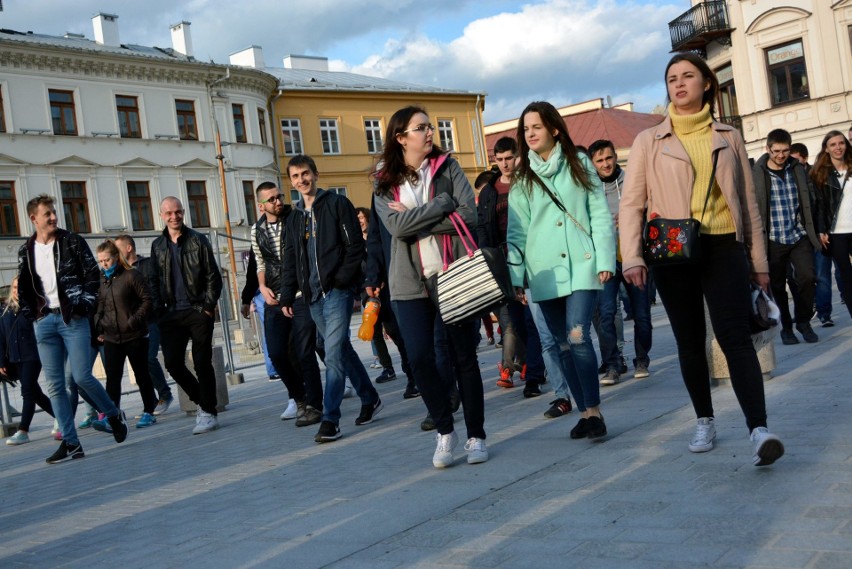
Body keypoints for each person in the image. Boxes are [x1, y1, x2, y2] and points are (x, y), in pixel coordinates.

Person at [619, 53, 785, 467]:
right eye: (672, 78)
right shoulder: (648, 141)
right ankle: (705, 419)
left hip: (724, 244)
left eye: (688, 76)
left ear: (707, 83)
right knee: (689, 339)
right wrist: (631, 257)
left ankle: (758, 429)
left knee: (734, 336)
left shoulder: (728, 135)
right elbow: (631, 204)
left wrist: (759, 262)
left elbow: (748, 203)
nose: (679, 84)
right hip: (672, 249)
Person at [373, 105, 488, 467]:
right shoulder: (383, 182)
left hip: (452, 272)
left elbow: (469, 215)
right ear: (400, 136)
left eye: (431, 127)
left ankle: (476, 435)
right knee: (420, 359)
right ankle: (445, 429)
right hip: (408, 283)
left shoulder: (448, 167)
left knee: (463, 357)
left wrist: (417, 220)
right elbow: (396, 228)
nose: (429, 133)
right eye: (420, 127)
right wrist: (442, 204)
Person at [507, 101, 615, 441]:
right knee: (561, 344)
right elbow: (516, 232)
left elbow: (598, 212)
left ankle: (595, 411)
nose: (531, 134)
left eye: (536, 127)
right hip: (543, 272)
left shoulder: (579, 162)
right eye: (526, 129)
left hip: (582, 264)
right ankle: (583, 413)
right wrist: (516, 278)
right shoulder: (523, 178)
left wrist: (605, 259)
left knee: (578, 335)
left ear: (554, 128)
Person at [18, 194, 128, 463]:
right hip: (44, 322)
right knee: (55, 387)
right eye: (48, 214)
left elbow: (93, 275)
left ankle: (112, 414)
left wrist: (84, 305)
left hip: (72, 319)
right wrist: (32, 315)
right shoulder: (26, 250)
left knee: (80, 377)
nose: (54, 217)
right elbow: (23, 287)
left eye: (54, 212)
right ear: (34, 219)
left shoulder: (72, 241)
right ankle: (71, 443)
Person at [281, 154, 382, 443]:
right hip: (311, 296)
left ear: (315, 174)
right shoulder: (294, 217)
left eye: (305, 174)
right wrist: (288, 293)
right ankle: (370, 396)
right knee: (341, 351)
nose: (302, 180)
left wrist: (340, 281)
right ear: (291, 181)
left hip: (336, 292)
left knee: (333, 355)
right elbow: (290, 259)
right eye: (296, 176)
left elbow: (354, 248)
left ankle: (330, 419)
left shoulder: (337, 204)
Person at [251, 181, 324, 426]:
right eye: (271, 199)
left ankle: (315, 405)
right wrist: (262, 287)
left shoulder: (295, 219)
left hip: (300, 294)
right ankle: (299, 397)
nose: (278, 201)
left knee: (305, 353)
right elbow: (260, 263)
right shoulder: (256, 230)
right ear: (261, 205)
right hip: (273, 296)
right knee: (277, 353)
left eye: (279, 196)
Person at [150, 196, 223, 435]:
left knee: (202, 362)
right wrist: (158, 309)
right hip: (170, 314)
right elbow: (153, 280)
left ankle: (209, 412)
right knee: (172, 363)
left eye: (178, 212)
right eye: (169, 213)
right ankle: (203, 402)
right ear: (162, 215)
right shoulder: (158, 245)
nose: (174, 217)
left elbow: (213, 275)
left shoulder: (198, 240)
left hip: (197, 310)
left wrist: (208, 307)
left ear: (183, 212)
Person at [588, 139, 653, 383]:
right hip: (606, 259)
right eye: (599, 160)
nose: (605, 164)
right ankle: (613, 364)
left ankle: (642, 358)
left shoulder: (632, 180)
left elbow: (647, 206)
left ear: (616, 157)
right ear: (593, 163)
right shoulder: (589, 188)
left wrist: (631, 217)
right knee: (606, 315)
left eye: (608, 158)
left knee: (642, 315)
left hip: (634, 255)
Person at [752, 128, 820, 345]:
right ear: (768, 149)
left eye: (785, 151)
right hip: (772, 239)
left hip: (798, 235)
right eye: (776, 151)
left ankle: (804, 321)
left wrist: (817, 228)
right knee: (778, 287)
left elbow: (811, 200)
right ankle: (787, 328)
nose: (780, 155)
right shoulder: (757, 173)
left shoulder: (797, 168)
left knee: (808, 278)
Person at [477, 136, 532, 392]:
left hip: (529, 255)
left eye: (509, 158)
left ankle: (523, 364)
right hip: (500, 259)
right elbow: (483, 227)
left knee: (527, 318)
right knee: (508, 317)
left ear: (517, 156)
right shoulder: (490, 190)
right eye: (499, 159)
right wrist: (485, 258)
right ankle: (513, 365)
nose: (505, 164)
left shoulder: (527, 182)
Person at [93, 240, 158, 428]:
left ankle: (148, 411)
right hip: (112, 336)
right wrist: (99, 325)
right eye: (101, 261)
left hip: (134, 335)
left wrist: (134, 320)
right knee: (112, 378)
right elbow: (100, 305)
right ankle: (112, 415)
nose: (104, 264)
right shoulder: (102, 280)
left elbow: (147, 300)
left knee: (141, 374)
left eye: (107, 260)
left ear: (116, 257)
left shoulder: (131, 275)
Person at [113, 234, 174, 415]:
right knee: (140, 364)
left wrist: (157, 309)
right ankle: (151, 403)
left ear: (129, 248)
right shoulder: (118, 272)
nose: (115, 254)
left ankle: (165, 394)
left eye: (118, 249)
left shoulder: (147, 265)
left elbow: (158, 289)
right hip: (133, 326)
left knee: (150, 358)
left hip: (152, 320)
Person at [2, 276, 55, 445]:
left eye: (21, 287)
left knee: (27, 391)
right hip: (15, 357)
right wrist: (1, 361)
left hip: (32, 355)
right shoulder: (5, 309)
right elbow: (1, 337)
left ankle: (23, 430)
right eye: (16, 287)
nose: (18, 291)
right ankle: (62, 416)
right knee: (36, 393)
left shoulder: (34, 307)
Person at [812, 130, 852, 322]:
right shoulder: (821, 175)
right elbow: (819, 205)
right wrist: (822, 230)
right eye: (833, 145)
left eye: (841, 143)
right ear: (826, 149)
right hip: (837, 233)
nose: (838, 147)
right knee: (847, 277)